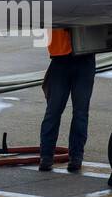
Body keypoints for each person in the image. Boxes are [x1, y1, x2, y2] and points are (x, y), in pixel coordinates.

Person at [39, 28, 96, 172]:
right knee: (54, 111)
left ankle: (76, 158)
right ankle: (46, 157)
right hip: (61, 59)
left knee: (79, 113)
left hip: (84, 57)